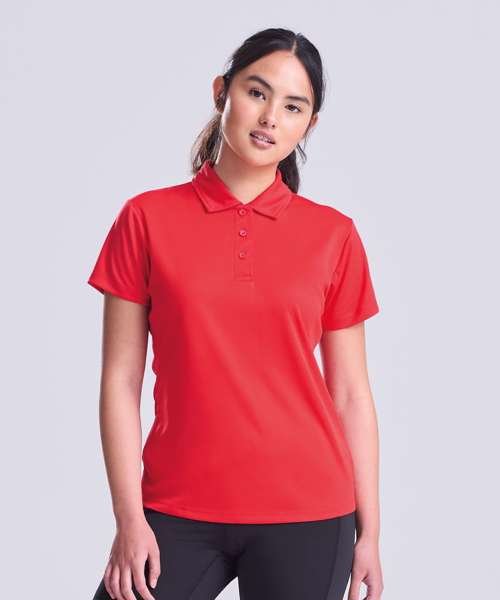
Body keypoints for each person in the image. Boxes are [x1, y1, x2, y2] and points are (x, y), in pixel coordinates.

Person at [87, 27, 384, 600]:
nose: (270, 117)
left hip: (309, 511)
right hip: (175, 506)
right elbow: (119, 381)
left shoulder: (334, 235)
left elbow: (350, 392)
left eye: (293, 106)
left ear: (309, 125)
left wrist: (369, 532)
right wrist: (129, 519)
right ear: (222, 91)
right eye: (256, 92)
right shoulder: (145, 219)